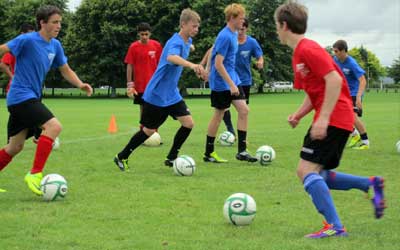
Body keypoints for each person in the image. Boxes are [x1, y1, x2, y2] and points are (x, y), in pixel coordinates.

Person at [274, 2, 385, 238]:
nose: (276, 31)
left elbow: (334, 80)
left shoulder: (309, 49)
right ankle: (370, 184)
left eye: (277, 26)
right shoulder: (298, 55)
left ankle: (335, 226)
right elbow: (315, 91)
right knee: (316, 174)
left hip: (335, 117)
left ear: (284, 25)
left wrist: (323, 118)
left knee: (305, 170)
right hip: (334, 116)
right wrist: (299, 115)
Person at [0, 5, 93, 195]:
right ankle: (35, 174)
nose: (59, 26)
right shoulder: (27, 40)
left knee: (14, 147)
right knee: (54, 126)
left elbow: (65, 69)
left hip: (31, 97)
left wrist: (80, 84)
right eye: (54, 22)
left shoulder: (55, 45)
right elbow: (2, 49)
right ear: (42, 23)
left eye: (60, 22)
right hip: (20, 96)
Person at [114, 8, 206, 171]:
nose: (196, 30)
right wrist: (192, 65)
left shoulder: (187, 41)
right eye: (193, 26)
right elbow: (171, 57)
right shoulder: (175, 42)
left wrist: (190, 49)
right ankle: (122, 156)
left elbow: (187, 47)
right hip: (157, 94)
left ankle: (171, 158)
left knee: (188, 123)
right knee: (148, 131)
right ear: (183, 25)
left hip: (172, 94)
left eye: (197, 27)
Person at [203, 3, 257, 163]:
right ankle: (208, 153)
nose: (243, 21)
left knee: (244, 110)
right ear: (232, 18)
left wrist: (233, 82)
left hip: (233, 78)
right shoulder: (225, 36)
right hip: (221, 82)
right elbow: (218, 63)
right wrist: (230, 84)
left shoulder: (233, 34)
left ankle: (242, 151)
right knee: (218, 115)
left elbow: (213, 50)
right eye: (241, 18)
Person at [222, 18, 264, 136]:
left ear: (246, 29)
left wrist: (260, 61)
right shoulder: (230, 40)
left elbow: (260, 56)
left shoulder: (252, 42)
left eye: (243, 29)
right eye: (238, 29)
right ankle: (230, 130)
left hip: (244, 81)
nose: (240, 31)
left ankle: (242, 135)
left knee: (243, 110)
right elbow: (214, 51)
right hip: (228, 80)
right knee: (224, 107)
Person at [124, 22, 162, 130]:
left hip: (154, 84)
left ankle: (154, 132)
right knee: (143, 109)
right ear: (138, 34)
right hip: (140, 85)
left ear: (150, 33)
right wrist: (129, 84)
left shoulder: (156, 45)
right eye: (142, 34)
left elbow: (161, 65)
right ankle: (143, 132)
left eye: (146, 34)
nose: (144, 36)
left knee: (155, 108)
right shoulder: (133, 47)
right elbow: (129, 65)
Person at [333, 40, 369, 149]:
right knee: (336, 115)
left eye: (336, 51)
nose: (335, 53)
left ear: (343, 51)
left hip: (354, 93)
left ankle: (365, 142)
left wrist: (358, 97)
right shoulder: (335, 60)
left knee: (352, 117)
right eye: (334, 51)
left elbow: (363, 80)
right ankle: (354, 134)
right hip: (343, 93)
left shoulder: (351, 63)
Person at [0, 23, 35, 94]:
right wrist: (12, 77)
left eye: (33, 35)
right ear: (22, 34)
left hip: (32, 87)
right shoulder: (14, 47)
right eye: (29, 35)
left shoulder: (33, 49)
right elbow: (2, 65)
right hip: (17, 88)